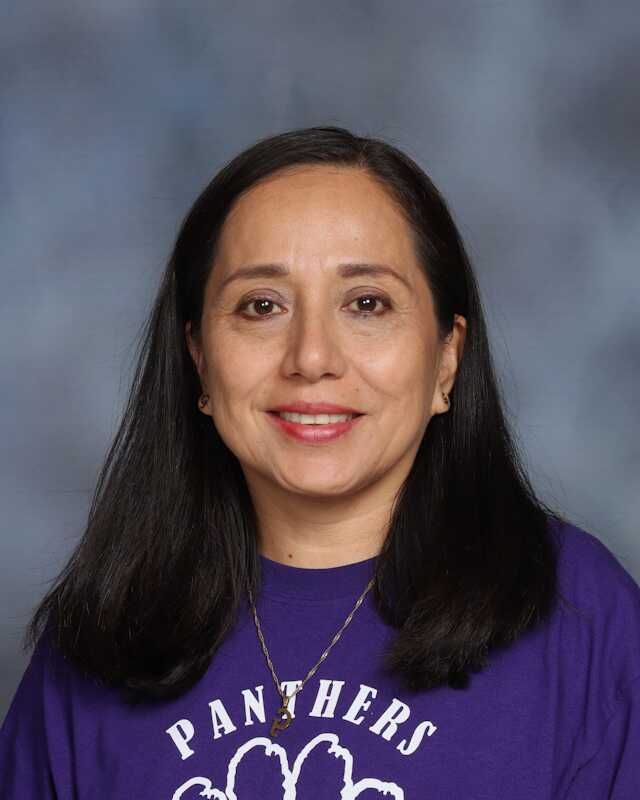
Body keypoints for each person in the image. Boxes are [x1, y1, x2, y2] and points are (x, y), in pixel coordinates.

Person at [1, 125, 639, 798]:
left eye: (367, 304)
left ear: (446, 358)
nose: (311, 358)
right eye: (262, 306)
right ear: (199, 361)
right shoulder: (105, 629)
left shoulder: (579, 615)